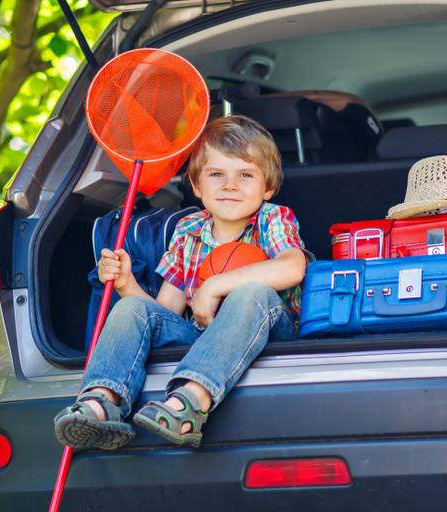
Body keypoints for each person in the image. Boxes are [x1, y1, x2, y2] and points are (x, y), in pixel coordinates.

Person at [54, 115, 309, 449]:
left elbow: (293, 267)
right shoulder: (188, 231)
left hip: (270, 336)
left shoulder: (272, 218)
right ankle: (103, 402)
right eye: (216, 174)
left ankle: (190, 403)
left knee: (251, 293)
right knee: (131, 307)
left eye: (245, 175)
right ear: (197, 185)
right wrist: (126, 284)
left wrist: (216, 285)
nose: (230, 185)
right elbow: (163, 314)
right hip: (201, 337)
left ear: (268, 187)